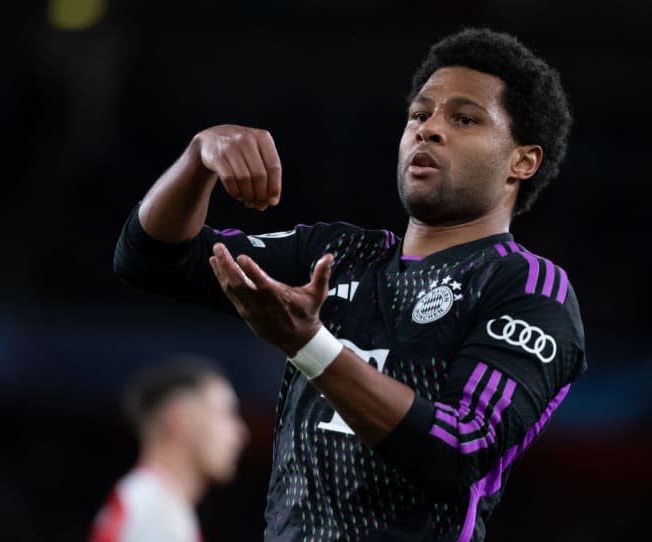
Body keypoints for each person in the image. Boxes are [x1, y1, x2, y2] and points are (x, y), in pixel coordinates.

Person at [112, 28, 586, 542]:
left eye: (464, 118)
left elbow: (459, 449)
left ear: (523, 160)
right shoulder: (340, 254)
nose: (428, 130)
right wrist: (197, 159)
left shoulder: (528, 288)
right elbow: (150, 259)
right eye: (419, 114)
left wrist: (308, 344)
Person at [89, 357, 249, 542]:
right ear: (180, 418)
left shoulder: (149, 501)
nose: (240, 434)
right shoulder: (157, 514)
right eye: (226, 415)